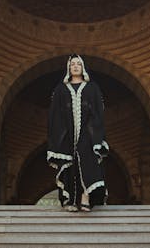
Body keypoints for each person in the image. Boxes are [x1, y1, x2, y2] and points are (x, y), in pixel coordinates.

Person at [47, 54, 109, 212]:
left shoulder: (92, 88)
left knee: (87, 161)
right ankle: (70, 200)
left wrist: (92, 133)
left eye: (78, 64)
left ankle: (86, 197)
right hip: (66, 134)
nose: (75, 66)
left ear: (83, 67)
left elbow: (98, 112)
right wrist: (60, 134)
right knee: (69, 165)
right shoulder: (60, 89)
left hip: (87, 133)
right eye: (72, 64)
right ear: (68, 68)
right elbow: (55, 114)